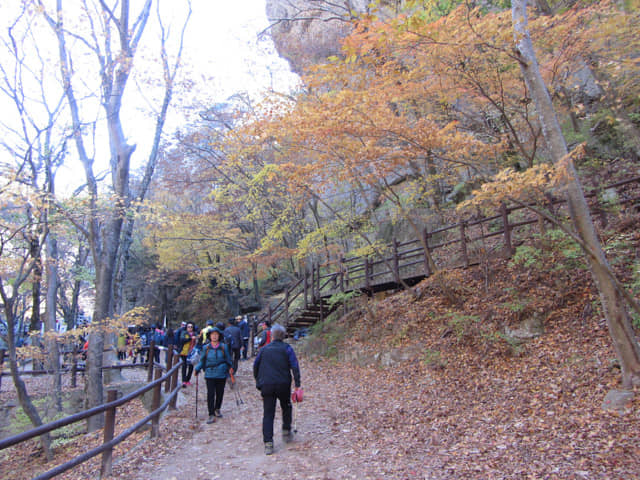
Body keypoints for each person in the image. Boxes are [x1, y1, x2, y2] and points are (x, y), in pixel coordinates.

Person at [253, 323, 302, 455]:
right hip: (283, 384)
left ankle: (268, 443)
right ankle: (286, 430)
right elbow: (295, 366)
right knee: (286, 407)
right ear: (284, 335)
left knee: (268, 413)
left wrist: (258, 382)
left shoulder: (264, 350)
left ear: (272, 335)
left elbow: (255, 365)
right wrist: (297, 383)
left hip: (267, 385)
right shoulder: (287, 349)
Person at [195, 327, 233, 424]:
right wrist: (197, 368)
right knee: (210, 394)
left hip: (221, 373)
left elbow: (228, 359)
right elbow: (202, 361)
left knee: (220, 393)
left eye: (216, 335)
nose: (214, 336)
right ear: (210, 336)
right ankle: (211, 413)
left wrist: (230, 368)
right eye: (212, 335)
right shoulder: (206, 348)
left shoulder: (224, 347)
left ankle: (217, 408)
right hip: (210, 373)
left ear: (219, 336)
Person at [176, 322, 197, 387]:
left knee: (191, 367)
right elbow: (182, 340)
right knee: (184, 366)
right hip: (184, 352)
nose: (190, 328)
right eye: (188, 327)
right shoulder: (184, 333)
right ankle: (184, 380)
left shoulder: (194, 334)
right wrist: (190, 339)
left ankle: (188, 379)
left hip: (192, 352)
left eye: (191, 327)